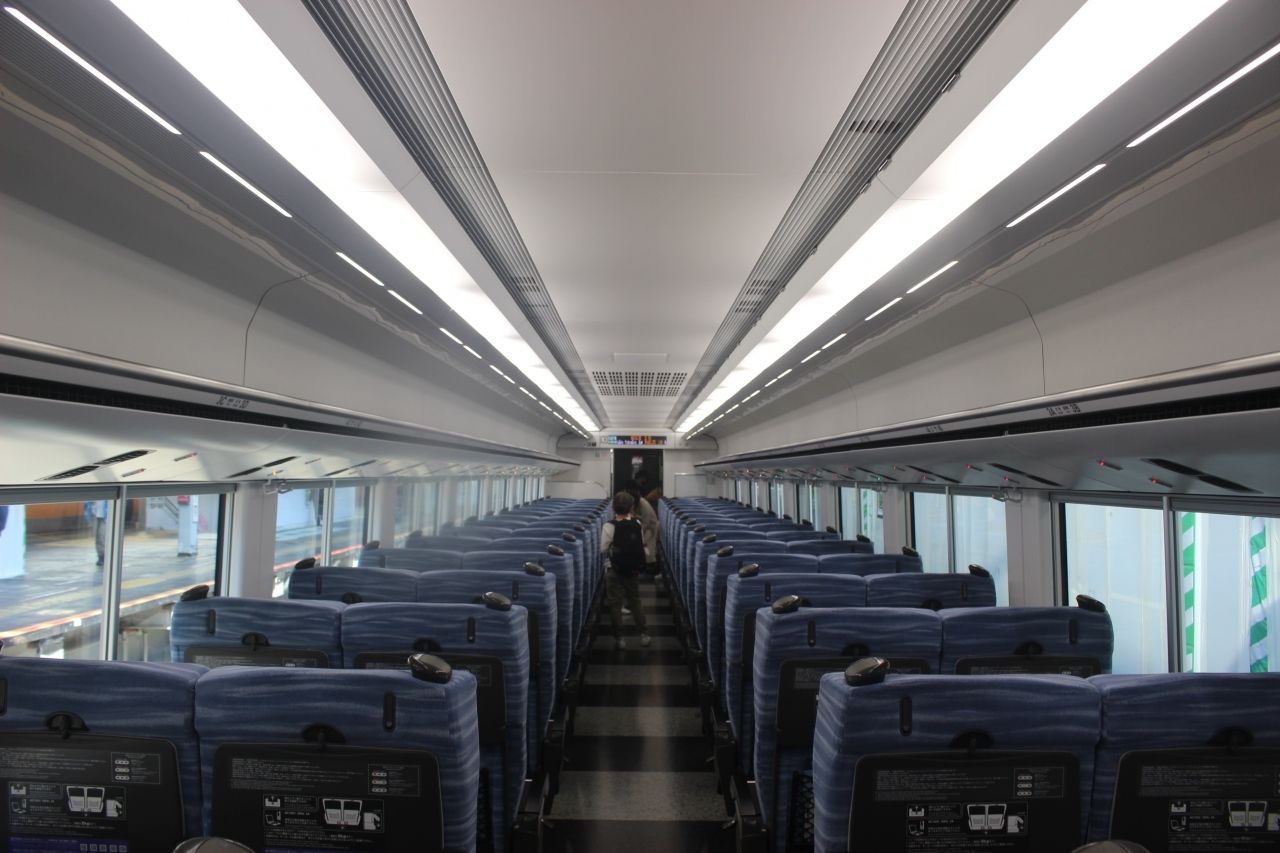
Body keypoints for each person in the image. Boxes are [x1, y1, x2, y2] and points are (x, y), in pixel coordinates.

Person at [601, 491, 650, 650]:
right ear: (631, 507)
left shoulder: (608, 526)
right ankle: (643, 635)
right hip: (631, 570)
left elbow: (603, 549)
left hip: (613, 569)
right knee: (635, 601)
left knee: (615, 604)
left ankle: (619, 639)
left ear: (613, 508)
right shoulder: (636, 524)